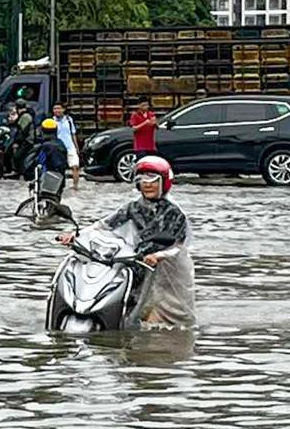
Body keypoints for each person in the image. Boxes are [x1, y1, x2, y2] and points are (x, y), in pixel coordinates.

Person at [57, 154, 193, 326]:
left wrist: (158, 256)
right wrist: (76, 235)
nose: (147, 184)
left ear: (164, 183)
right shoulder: (134, 207)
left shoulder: (174, 213)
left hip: (167, 269)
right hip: (138, 262)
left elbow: (179, 246)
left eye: (153, 179)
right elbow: (105, 224)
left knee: (163, 319)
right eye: (142, 179)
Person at [52, 102, 82, 190]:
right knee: (58, 168)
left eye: (58, 108)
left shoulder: (69, 120)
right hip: (58, 147)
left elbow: (73, 134)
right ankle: (59, 186)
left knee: (75, 166)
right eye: (55, 108)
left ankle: (75, 186)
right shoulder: (51, 121)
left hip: (70, 146)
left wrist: (76, 147)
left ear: (63, 109)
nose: (57, 110)